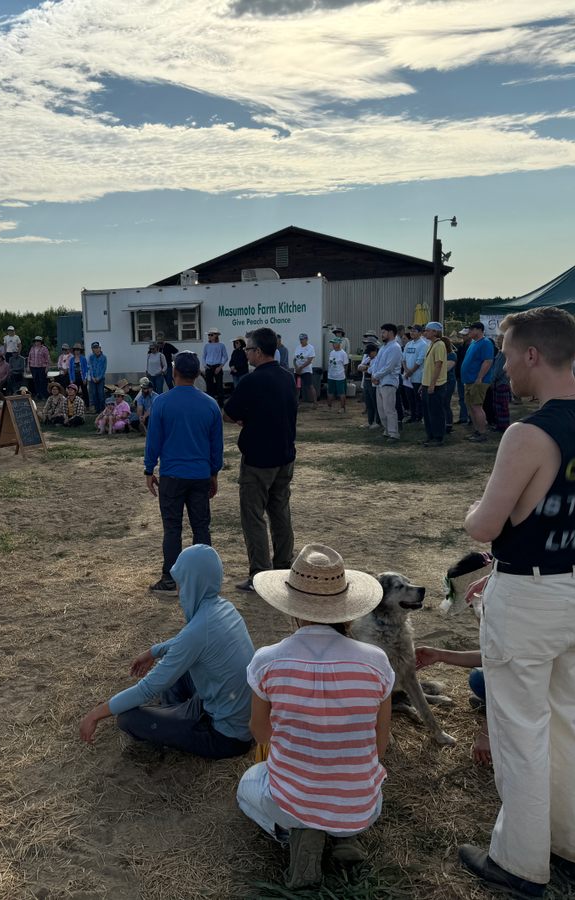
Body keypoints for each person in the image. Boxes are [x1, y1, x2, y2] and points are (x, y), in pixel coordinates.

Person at [459, 306, 575, 897]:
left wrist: (472, 511)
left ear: (532, 354)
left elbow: (484, 525)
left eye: (507, 355)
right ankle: (571, 850)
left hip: (530, 595)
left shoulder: (528, 433)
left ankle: (521, 861)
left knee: (520, 728)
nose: (504, 368)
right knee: (573, 721)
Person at [239, 544, 393, 888]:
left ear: (292, 608)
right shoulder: (377, 662)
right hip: (360, 805)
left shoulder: (268, 660)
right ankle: (344, 834)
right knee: (365, 789)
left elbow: (261, 732)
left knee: (247, 785)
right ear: (348, 610)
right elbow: (380, 745)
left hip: (291, 799)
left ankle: (298, 831)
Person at [77, 544, 254, 759]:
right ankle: (175, 715)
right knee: (178, 670)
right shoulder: (225, 608)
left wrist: (96, 714)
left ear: (191, 584)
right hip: (239, 716)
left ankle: (176, 720)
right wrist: (153, 652)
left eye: (181, 583)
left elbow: (146, 689)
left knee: (128, 718)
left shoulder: (198, 631)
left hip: (226, 737)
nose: (178, 591)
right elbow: (185, 643)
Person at [223, 327, 298, 593]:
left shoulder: (251, 381)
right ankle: (284, 567)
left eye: (248, 349)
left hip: (258, 460)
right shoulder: (287, 377)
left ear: (257, 351)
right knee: (280, 513)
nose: (246, 354)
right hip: (284, 456)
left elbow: (229, 412)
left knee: (253, 517)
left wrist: (244, 419)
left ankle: (259, 574)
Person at [143, 352, 223, 593]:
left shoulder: (162, 402)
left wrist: (149, 469)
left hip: (172, 476)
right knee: (201, 527)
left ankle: (169, 579)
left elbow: (153, 440)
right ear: (198, 373)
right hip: (200, 475)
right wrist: (214, 473)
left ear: (173, 372)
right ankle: (204, 581)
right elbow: (215, 445)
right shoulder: (210, 404)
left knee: (172, 528)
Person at [461, 322, 496, 442]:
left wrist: (480, 377)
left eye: (472, 329)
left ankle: (482, 433)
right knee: (470, 406)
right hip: (469, 380)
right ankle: (476, 431)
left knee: (477, 406)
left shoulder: (485, 343)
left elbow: (488, 361)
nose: (469, 332)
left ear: (479, 330)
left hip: (478, 381)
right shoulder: (473, 343)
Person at [370, 324, 402, 441]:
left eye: (384, 332)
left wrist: (376, 375)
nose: (381, 334)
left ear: (391, 333)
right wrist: (374, 374)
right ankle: (387, 430)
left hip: (389, 382)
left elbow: (389, 367)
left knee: (389, 409)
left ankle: (394, 433)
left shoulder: (395, 347)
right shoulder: (383, 347)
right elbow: (376, 363)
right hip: (379, 382)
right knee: (381, 410)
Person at [420, 322, 449, 447]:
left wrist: (432, 384)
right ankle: (430, 435)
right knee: (427, 412)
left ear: (435, 332)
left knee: (436, 412)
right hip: (428, 384)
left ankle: (438, 437)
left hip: (436, 385)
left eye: (428, 330)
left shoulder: (439, 345)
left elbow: (438, 365)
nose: (425, 332)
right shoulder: (431, 344)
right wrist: (424, 384)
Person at [402, 324, 427, 422]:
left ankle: (418, 416)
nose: (412, 333)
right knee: (409, 398)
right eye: (411, 331)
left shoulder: (423, 344)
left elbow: (419, 361)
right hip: (408, 377)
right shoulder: (409, 344)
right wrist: (406, 371)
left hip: (417, 376)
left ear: (420, 333)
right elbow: (403, 358)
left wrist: (411, 371)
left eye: (414, 331)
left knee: (417, 398)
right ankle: (412, 416)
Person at [202, 327, 228, 400]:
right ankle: (210, 401)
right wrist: (205, 365)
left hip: (217, 367)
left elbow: (226, 357)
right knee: (209, 386)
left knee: (219, 386)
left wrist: (220, 367)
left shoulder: (221, 345)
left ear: (216, 335)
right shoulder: (206, 345)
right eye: (209, 335)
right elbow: (203, 356)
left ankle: (221, 403)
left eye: (211, 335)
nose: (209, 336)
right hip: (208, 367)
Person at [358, 343, 380, 429]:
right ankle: (370, 421)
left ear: (374, 352)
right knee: (368, 403)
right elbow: (359, 367)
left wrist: (366, 368)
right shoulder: (368, 358)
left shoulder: (377, 359)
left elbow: (372, 370)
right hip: (366, 382)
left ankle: (377, 421)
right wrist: (367, 367)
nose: (368, 355)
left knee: (375, 403)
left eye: (370, 353)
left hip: (373, 383)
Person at [292, 333, 317, 405]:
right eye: (300, 339)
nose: (301, 341)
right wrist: (296, 367)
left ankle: (315, 402)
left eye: (302, 339)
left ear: (306, 339)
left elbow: (309, 360)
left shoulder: (310, 348)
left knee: (310, 386)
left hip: (306, 371)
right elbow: (294, 359)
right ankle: (296, 402)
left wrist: (301, 367)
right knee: (298, 386)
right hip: (298, 372)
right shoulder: (298, 347)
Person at [492, 347, 512, 431]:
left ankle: (503, 426)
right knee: (499, 406)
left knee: (502, 406)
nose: (497, 341)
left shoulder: (503, 354)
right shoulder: (503, 353)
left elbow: (498, 370)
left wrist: (493, 379)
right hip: (502, 383)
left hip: (501, 383)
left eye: (500, 339)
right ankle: (500, 425)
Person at [326, 336, 349, 412]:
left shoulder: (343, 353)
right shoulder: (332, 352)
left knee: (341, 392)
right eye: (332, 343)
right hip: (331, 376)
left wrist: (344, 375)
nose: (333, 345)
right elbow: (329, 364)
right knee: (330, 391)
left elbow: (346, 365)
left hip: (340, 376)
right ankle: (329, 406)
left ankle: (343, 408)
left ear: (339, 344)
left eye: (334, 343)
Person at [87, 341, 108, 413]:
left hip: (101, 379)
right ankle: (97, 409)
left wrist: (99, 378)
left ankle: (102, 409)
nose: (95, 349)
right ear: (92, 349)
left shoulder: (104, 357)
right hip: (93, 379)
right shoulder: (91, 357)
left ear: (99, 348)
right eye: (94, 348)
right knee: (94, 394)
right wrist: (92, 377)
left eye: (96, 348)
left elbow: (104, 369)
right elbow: (90, 368)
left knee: (101, 394)